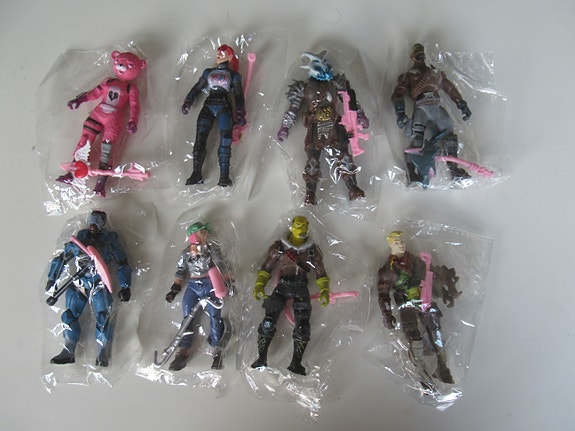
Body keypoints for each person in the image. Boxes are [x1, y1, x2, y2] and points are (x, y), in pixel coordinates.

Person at [277, 51, 369, 205]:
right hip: (315, 127)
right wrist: (285, 127)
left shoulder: (336, 83)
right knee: (312, 162)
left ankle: (353, 187)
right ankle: (310, 193)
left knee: (345, 158)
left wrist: (359, 115)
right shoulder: (304, 88)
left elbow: (350, 102)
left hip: (335, 125)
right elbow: (293, 109)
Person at [46, 210, 132, 366]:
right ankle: (69, 349)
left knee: (103, 317)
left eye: (97, 221)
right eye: (92, 221)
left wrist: (125, 286)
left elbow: (122, 263)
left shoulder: (109, 242)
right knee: (69, 315)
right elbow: (62, 259)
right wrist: (52, 279)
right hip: (79, 282)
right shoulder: (80, 240)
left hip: (99, 283)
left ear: (102, 224)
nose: (93, 224)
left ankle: (102, 352)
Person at [251, 216, 330, 375]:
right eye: (298, 225)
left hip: (301, 288)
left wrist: (324, 290)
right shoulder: (279, 248)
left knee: (303, 327)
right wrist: (260, 284)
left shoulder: (312, 251)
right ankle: (261, 358)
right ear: (292, 227)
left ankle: (296, 364)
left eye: (304, 226)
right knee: (268, 322)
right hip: (283, 286)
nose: (301, 230)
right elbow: (267, 267)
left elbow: (320, 272)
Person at [377, 231, 457, 385]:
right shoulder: (387, 270)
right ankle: (422, 375)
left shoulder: (417, 261)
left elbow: (433, 276)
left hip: (425, 301)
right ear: (391, 245)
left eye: (402, 241)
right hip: (406, 306)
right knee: (415, 340)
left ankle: (443, 368)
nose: (401, 245)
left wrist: (445, 291)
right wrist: (387, 314)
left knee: (436, 333)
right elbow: (383, 294)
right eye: (397, 243)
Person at [391, 43, 472, 185]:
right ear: (412, 56)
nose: (420, 55)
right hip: (421, 109)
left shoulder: (435, 73)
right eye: (417, 52)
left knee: (450, 136)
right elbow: (398, 94)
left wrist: (461, 104)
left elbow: (449, 88)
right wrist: (400, 112)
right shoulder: (408, 76)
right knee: (416, 140)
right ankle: (412, 173)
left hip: (436, 107)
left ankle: (454, 170)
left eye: (421, 52)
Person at [164, 222, 230, 371]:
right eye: (202, 232)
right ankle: (182, 352)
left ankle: (217, 350)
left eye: (206, 232)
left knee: (215, 316)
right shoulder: (186, 253)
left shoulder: (212, 250)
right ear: (194, 235)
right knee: (187, 317)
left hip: (210, 284)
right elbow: (180, 270)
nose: (206, 235)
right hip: (193, 285)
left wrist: (229, 282)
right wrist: (175, 288)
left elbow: (222, 265)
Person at [181, 45, 246, 187]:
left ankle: (224, 177)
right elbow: (198, 87)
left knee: (225, 140)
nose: (218, 55)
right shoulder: (208, 72)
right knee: (200, 139)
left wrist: (240, 112)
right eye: (218, 53)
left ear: (229, 57)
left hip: (224, 107)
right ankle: (196, 173)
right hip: (209, 105)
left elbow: (238, 95)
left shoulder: (234, 75)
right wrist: (188, 100)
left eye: (222, 53)